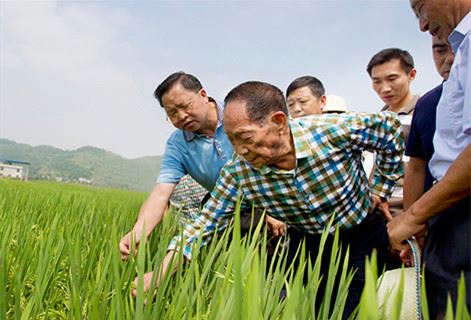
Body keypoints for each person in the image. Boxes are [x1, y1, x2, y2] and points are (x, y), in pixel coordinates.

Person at [160, 81, 404, 318]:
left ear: (278, 122)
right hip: (306, 242)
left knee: (350, 311)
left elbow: (389, 128)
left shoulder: (330, 131)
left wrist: (380, 191)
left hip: (360, 235)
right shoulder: (239, 173)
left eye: (245, 137)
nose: (240, 150)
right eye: (233, 141)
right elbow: (204, 223)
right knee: (294, 309)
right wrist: (160, 274)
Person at [388, 1, 471, 318]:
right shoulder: (462, 49)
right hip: (447, 212)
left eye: (421, 6)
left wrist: (411, 217)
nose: (422, 24)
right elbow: (417, 165)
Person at [119, 71, 234, 260]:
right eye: (172, 113)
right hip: (223, 209)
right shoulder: (177, 144)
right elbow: (161, 194)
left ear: (203, 95)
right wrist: (138, 231)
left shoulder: (236, 113)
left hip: (270, 198)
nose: (181, 116)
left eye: (185, 106)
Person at [403, 36, 454, 213]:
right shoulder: (426, 104)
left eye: (458, 48)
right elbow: (416, 167)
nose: (450, 58)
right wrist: (410, 218)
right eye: (440, 50)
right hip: (437, 218)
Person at [367, 48, 420, 217]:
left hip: (412, 208)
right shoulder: (377, 120)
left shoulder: (424, 112)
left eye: (392, 79)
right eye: (377, 81)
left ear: (411, 75)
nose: (385, 88)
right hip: (379, 209)